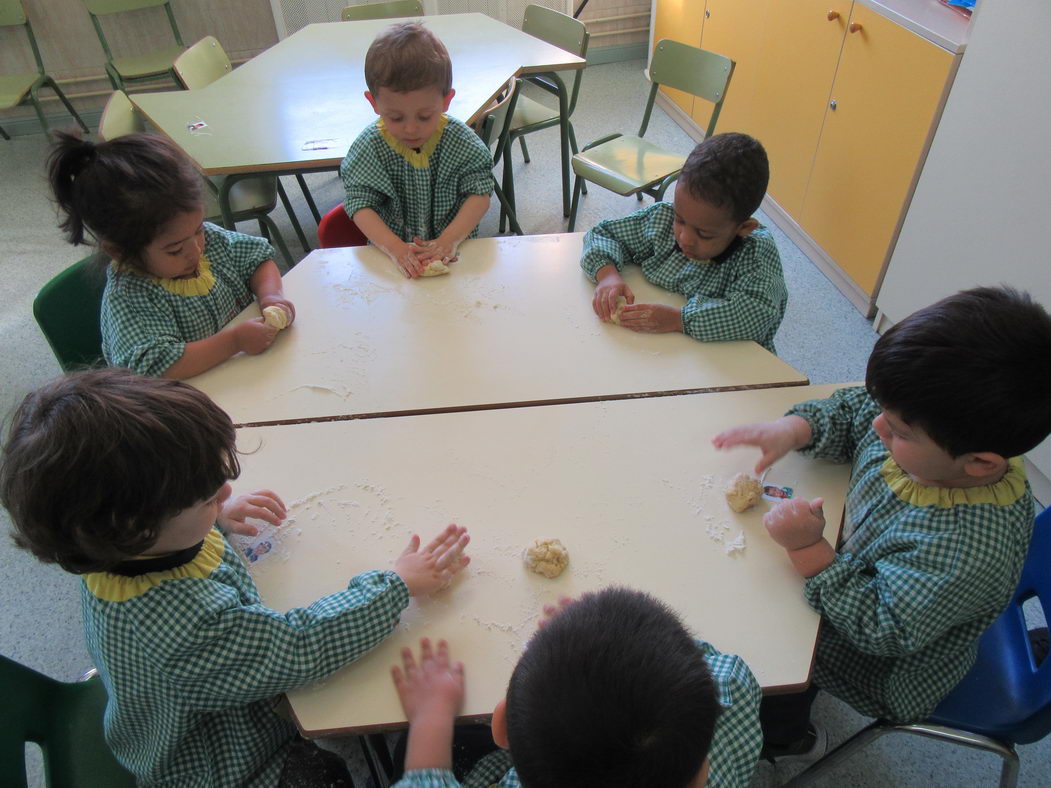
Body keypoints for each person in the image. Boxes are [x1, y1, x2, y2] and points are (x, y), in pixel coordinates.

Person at [0, 368, 471, 787]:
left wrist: (214, 518)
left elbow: (179, 539)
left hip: (179, 702)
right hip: (218, 765)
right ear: (136, 528)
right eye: (205, 495)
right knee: (324, 774)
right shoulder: (187, 629)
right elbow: (300, 646)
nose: (226, 490)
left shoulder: (117, 548)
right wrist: (396, 586)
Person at [713, 286, 1051, 754]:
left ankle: (785, 734)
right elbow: (857, 411)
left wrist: (811, 551)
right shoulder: (934, 436)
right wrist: (795, 428)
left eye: (899, 430)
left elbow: (880, 627)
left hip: (881, 664)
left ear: (979, 464)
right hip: (874, 578)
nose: (879, 428)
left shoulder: (960, 551)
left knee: (768, 655)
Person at [388, 587, 763, 787]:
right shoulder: (731, 684)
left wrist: (431, 719)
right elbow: (695, 664)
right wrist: (592, 646)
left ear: (500, 727)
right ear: (700, 776)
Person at [46, 131, 294, 378]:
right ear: (120, 252)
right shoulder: (131, 297)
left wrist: (270, 295)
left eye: (198, 230)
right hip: (185, 400)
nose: (196, 250)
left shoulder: (201, 239)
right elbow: (155, 367)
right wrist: (233, 342)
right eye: (175, 249)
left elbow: (257, 260)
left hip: (241, 375)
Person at [580, 132, 786, 354]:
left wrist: (679, 320)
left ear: (743, 229)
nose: (684, 238)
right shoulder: (663, 220)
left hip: (726, 362)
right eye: (680, 219)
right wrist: (608, 275)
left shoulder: (755, 257)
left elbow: (754, 316)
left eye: (703, 234)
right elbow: (603, 233)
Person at [340, 21, 494, 279]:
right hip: (392, 263)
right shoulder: (369, 147)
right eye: (396, 117)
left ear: (446, 101)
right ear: (374, 103)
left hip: (456, 259)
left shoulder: (462, 142)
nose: (411, 129)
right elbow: (360, 205)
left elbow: (480, 195)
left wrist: (449, 240)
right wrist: (396, 249)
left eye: (424, 116)